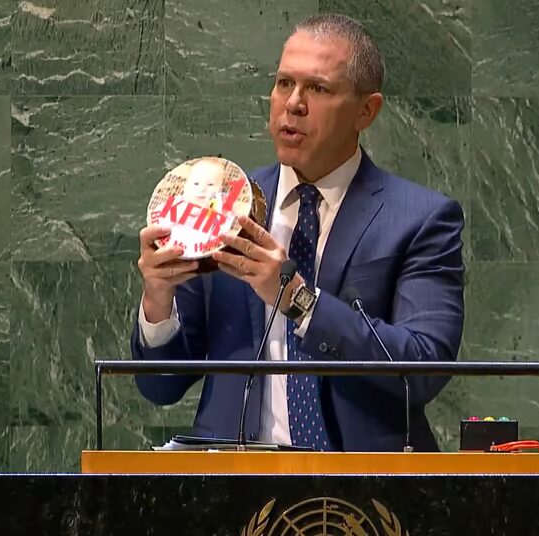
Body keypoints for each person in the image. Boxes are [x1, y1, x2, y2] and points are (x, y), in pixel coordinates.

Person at [131, 14, 465, 452]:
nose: (293, 104)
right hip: (232, 481)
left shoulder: (420, 219)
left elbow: (424, 368)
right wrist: (158, 300)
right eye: (284, 83)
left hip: (362, 482)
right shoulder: (222, 206)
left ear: (367, 110)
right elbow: (160, 387)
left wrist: (299, 302)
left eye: (318, 89)